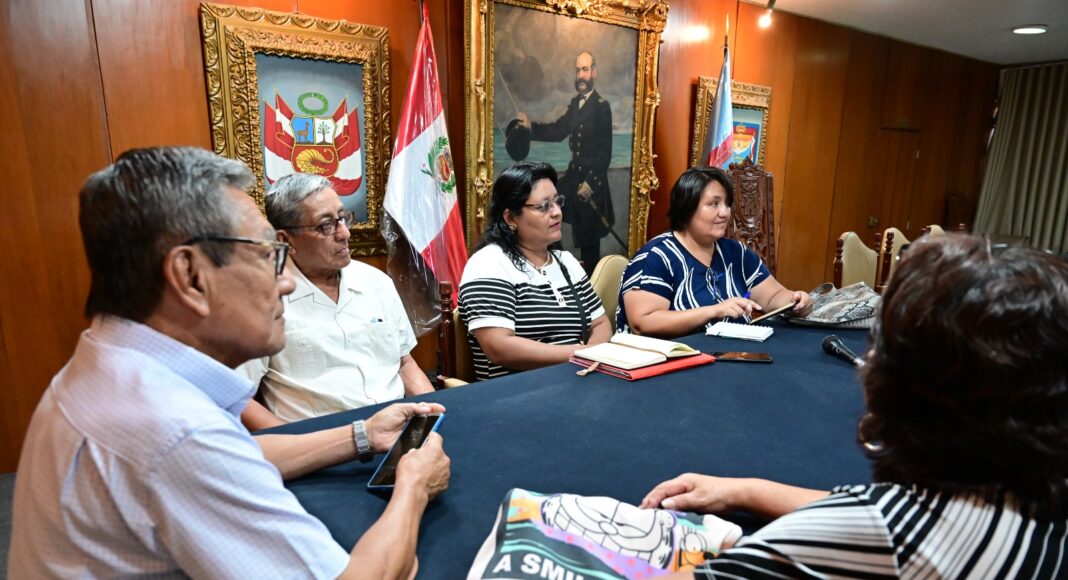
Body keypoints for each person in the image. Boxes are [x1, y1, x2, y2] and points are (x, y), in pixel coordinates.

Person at [8, 147, 451, 579]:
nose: (286, 285)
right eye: (267, 255)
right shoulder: (175, 431)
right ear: (190, 275)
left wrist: (362, 434)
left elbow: (232, 453)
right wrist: (414, 487)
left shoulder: (111, 365)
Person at [642, 234, 1068, 578]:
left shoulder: (894, 536)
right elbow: (895, 510)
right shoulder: (1036, 493)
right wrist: (745, 491)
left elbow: (877, 525)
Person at [239, 173, 434, 431]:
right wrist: (297, 447)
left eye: (342, 218)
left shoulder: (376, 283)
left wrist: (432, 418)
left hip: (397, 427)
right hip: (321, 441)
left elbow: (405, 364)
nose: (344, 234)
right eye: (325, 226)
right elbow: (240, 398)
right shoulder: (263, 299)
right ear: (286, 240)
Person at [459, 162, 611, 380]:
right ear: (511, 218)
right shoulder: (489, 263)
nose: (557, 212)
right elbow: (499, 347)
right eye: (543, 206)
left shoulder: (565, 261)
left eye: (557, 202)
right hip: (515, 392)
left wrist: (592, 358)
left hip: (578, 379)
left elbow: (601, 323)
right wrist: (579, 354)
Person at [617, 167, 811, 337]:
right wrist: (714, 311)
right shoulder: (656, 257)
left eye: (727, 204)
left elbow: (771, 296)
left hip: (727, 357)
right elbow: (643, 323)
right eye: (714, 204)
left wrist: (793, 301)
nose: (725, 213)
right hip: (666, 367)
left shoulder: (736, 252)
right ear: (686, 208)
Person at [515, 51, 614, 272]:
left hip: (592, 182)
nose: (581, 75)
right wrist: (531, 127)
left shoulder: (601, 107)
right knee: (548, 212)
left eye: (585, 70)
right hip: (573, 177)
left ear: (594, 73)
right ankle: (557, 269)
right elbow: (559, 130)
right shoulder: (575, 104)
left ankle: (590, 286)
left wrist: (590, 183)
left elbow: (604, 154)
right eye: (578, 70)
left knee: (589, 243)